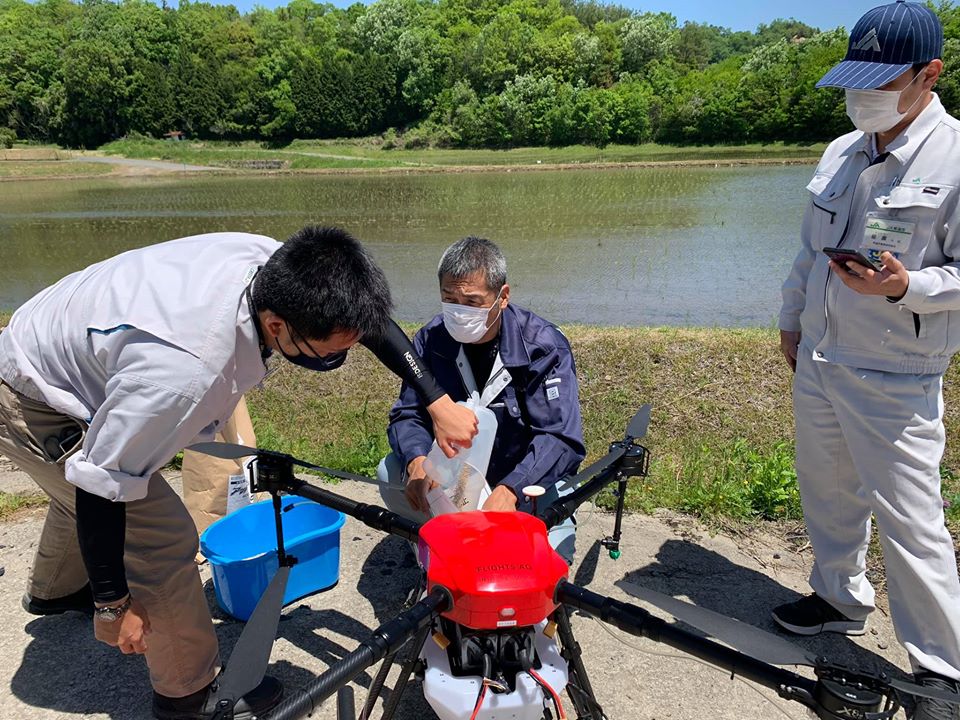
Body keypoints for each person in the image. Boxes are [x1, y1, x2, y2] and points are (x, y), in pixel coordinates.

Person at [0, 227, 478, 720]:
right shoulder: (184, 376)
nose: (341, 356)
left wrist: (435, 398)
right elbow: (101, 482)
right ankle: (188, 696)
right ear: (276, 326)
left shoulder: (279, 267)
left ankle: (55, 593)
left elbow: (364, 322)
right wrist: (112, 607)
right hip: (34, 396)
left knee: (89, 471)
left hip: (63, 336)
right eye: (329, 350)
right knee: (159, 533)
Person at [776, 3, 960, 718]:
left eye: (882, 82)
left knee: (912, 521)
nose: (865, 97)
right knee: (827, 489)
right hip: (821, 355)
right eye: (858, 81)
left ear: (930, 75)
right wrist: (791, 318)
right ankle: (837, 596)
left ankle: (943, 669)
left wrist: (907, 284)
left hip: (896, 370)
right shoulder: (842, 150)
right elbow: (806, 252)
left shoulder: (954, 157)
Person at [377, 236, 585, 563]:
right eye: (450, 299)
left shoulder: (542, 347)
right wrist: (417, 459)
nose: (460, 312)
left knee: (550, 564)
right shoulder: (430, 339)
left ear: (502, 297)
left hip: (525, 479)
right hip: (455, 477)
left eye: (472, 302)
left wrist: (511, 490)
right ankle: (439, 545)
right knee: (390, 472)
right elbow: (407, 414)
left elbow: (561, 439)